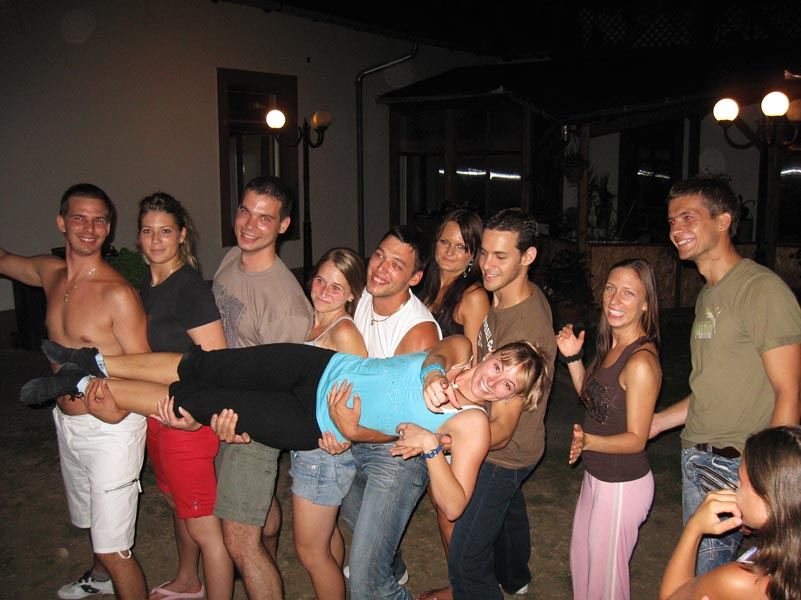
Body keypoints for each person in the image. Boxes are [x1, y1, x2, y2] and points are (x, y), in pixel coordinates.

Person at [25, 337, 546, 528]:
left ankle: (83, 384)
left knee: (198, 400)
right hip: (319, 366)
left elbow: (453, 505)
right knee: (205, 365)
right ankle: (92, 359)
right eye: (500, 364)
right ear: (491, 355)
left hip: (309, 422)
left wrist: (429, 447)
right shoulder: (460, 353)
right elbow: (438, 354)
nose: (494, 379)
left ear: (510, 397)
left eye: (508, 384)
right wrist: (433, 376)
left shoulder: (471, 424)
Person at [1, 183, 150, 600]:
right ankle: (99, 578)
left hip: (112, 431)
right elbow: (5, 260)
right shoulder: (49, 274)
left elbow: (146, 368)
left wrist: (119, 411)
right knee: (90, 521)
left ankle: (110, 571)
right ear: (62, 222)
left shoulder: (117, 294)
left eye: (100, 220)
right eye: (80, 218)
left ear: (109, 227)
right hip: (67, 424)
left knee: (115, 549)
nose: (90, 228)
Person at [650, 176, 801, 575]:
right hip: (697, 455)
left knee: (708, 582)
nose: (676, 229)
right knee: (703, 575)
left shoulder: (761, 290)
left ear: (723, 221)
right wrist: (657, 423)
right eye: (672, 221)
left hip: (738, 464)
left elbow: (789, 391)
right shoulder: (707, 296)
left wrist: (765, 482)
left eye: (688, 217)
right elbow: (710, 389)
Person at [422, 207, 556, 600]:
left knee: (466, 553)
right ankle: (515, 577)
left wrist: (444, 441)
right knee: (507, 512)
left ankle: (468, 588)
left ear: (528, 257)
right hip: (524, 442)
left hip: (506, 453)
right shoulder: (503, 298)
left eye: (500, 256)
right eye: (483, 253)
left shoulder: (525, 329)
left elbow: (502, 429)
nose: (486, 264)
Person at [133, 193, 232, 600]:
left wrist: (197, 414)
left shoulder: (188, 287)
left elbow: (216, 359)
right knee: (178, 504)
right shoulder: (149, 285)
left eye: (165, 231)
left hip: (187, 419)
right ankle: (189, 581)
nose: (156, 240)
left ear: (182, 235)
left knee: (206, 529)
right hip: (159, 413)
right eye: (148, 231)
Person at [342, 224, 442, 600]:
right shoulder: (361, 296)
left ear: (415, 278)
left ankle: (382, 577)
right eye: (380, 255)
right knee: (358, 525)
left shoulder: (418, 333)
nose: (381, 268)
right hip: (355, 433)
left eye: (396, 264)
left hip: (396, 452)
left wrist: (349, 431)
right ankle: (393, 568)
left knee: (365, 581)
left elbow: (403, 423)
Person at [556, 259, 662, 600]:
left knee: (606, 586)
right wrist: (573, 359)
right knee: (583, 566)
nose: (615, 300)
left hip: (622, 485)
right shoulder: (612, 346)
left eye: (628, 293)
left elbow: (636, 439)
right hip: (597, 476)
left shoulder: (641, 361)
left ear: (645, 303)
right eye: (611, 289)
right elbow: (594, 401)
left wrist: (589, 441)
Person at [293, 247, 367, 600]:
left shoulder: (344, 331)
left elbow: (363, 395)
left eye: (336, 287)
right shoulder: (312, 320)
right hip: (310, 448)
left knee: (311, 553)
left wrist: (343, 436)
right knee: (325, 540)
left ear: (352, 294)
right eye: (320, 280)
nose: (323, 291)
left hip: (324, 454)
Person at [659, 426, 801, 600]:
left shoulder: (741, 581)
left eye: (740, 481)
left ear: (768, 501)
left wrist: (693, 528)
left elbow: (671, 597)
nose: (734, 486)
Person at [418, 209, 490, 361]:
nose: (449, 252)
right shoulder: (423, 282)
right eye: (444, 242)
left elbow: (476, 362)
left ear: (473, 254)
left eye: (460, 246)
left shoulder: (473, 296)